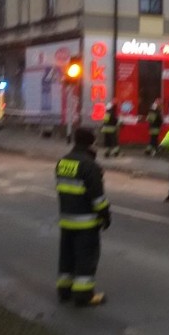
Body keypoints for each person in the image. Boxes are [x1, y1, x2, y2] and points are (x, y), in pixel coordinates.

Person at [55, 128, 111, 307]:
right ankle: (84, 294)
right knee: (86, 257)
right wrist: (105, 216)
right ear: (91, 143)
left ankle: (64, 290)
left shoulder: (62, 162)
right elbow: (98, 198)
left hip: (66, 219)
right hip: (86, 222)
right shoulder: (90, 166)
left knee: (67, 256)